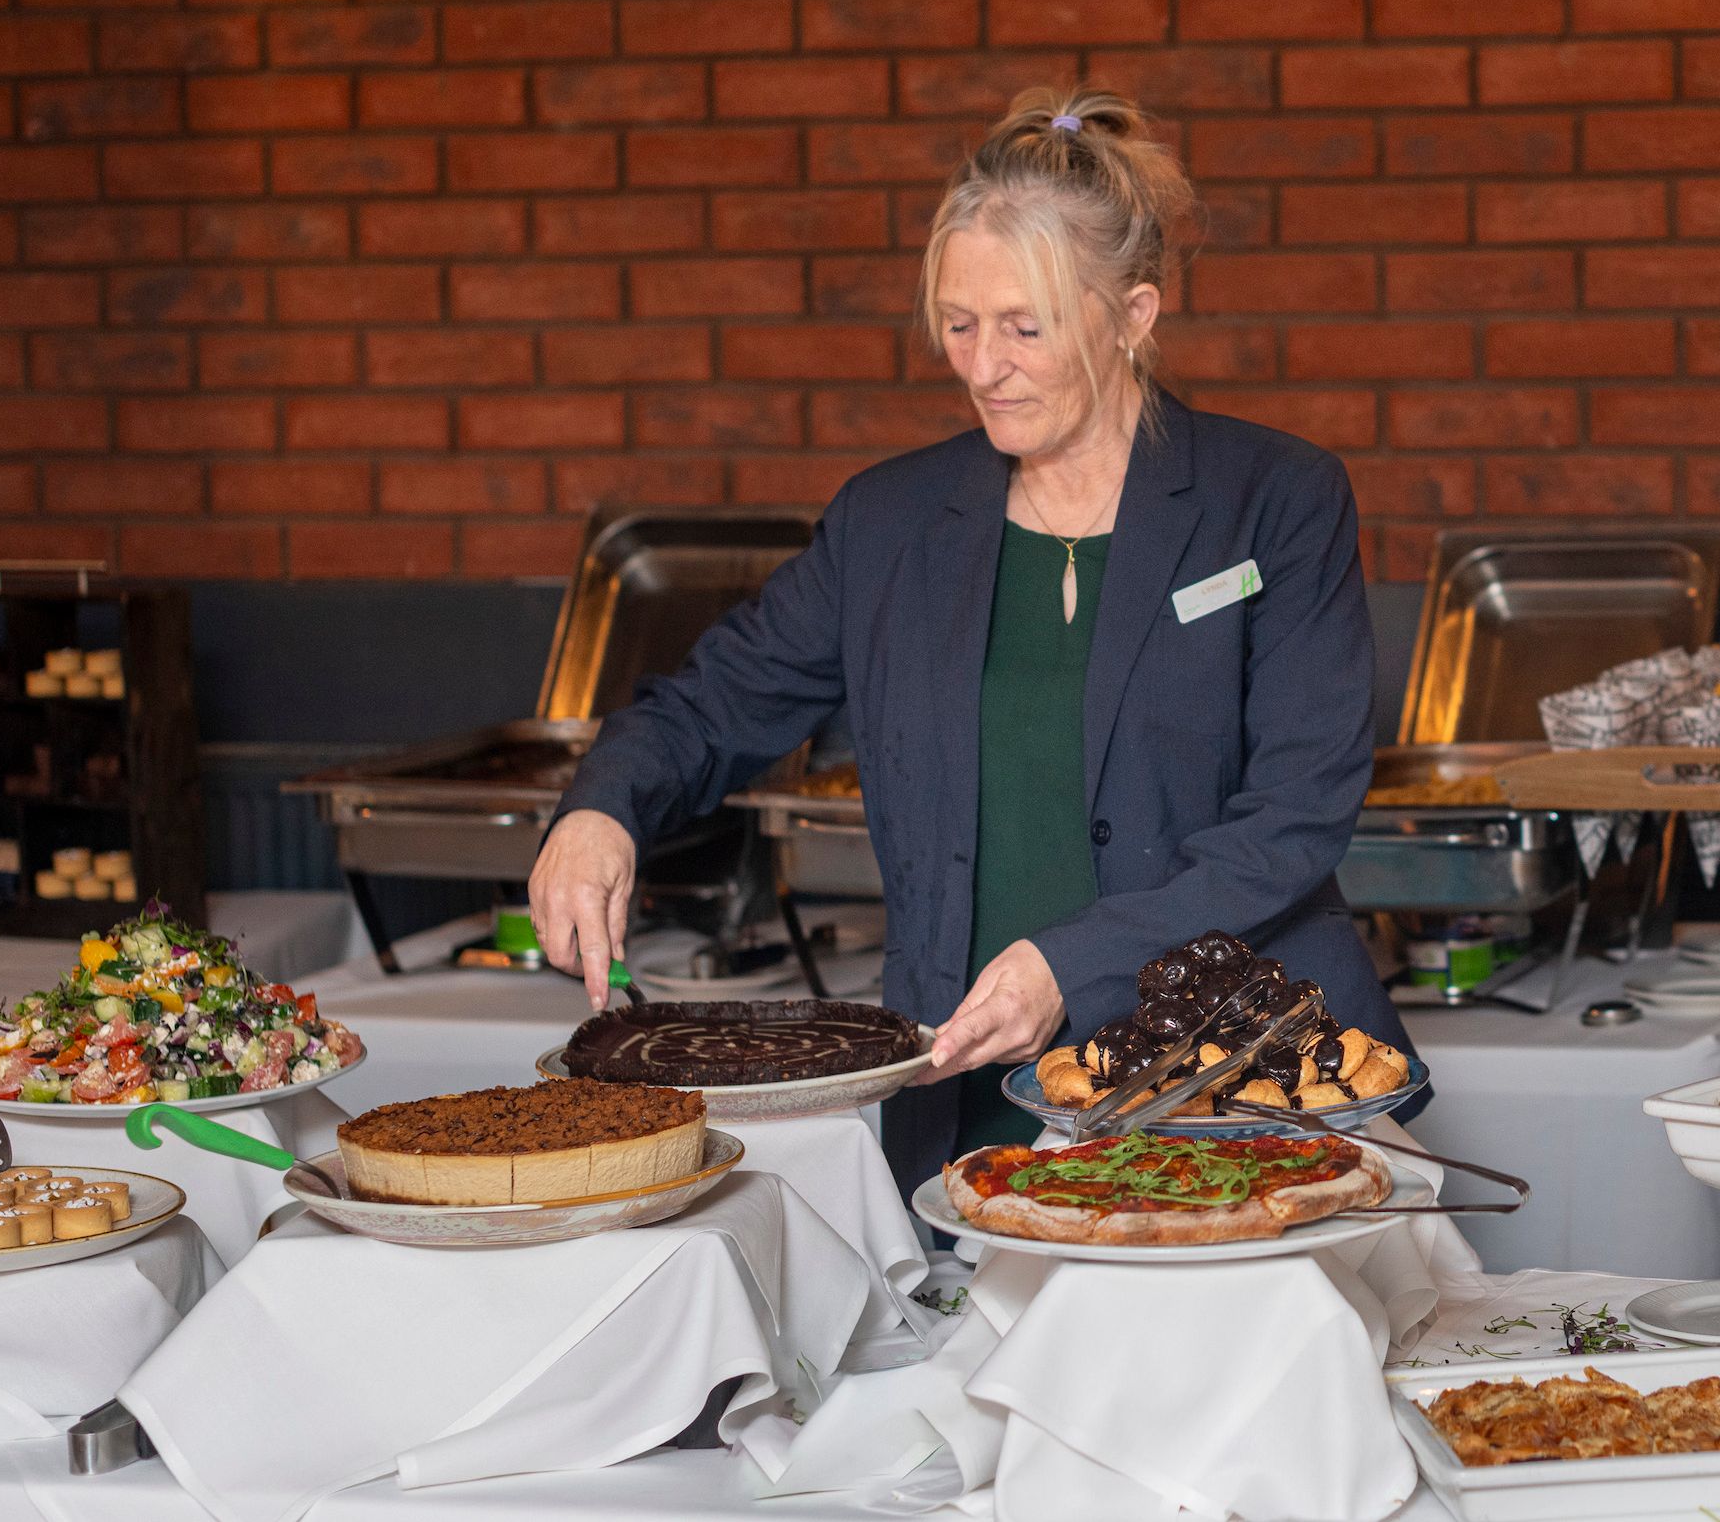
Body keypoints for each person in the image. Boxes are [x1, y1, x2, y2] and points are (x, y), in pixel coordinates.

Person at [528, 86, 1412, 1192]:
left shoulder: (1275, 499)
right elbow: (707, 706)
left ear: (1134, 314)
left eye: (1024, 327)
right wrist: (601, 806)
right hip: (964, 1100)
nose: (981, 364)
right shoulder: (889, 523)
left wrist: (1069, 963)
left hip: (1244, 1082)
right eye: (958, 322)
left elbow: (1293, 819)